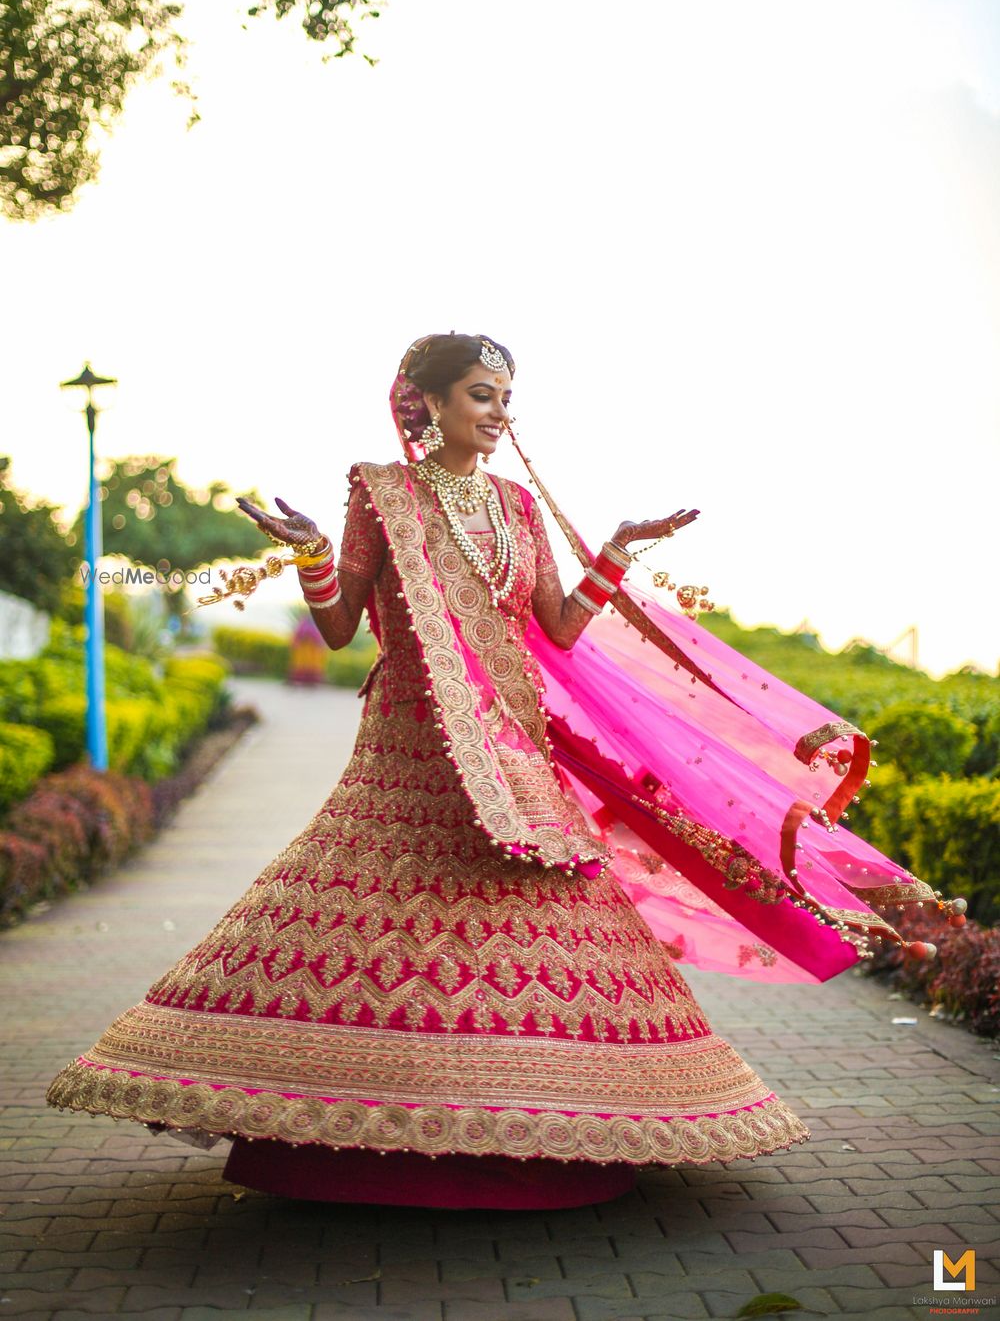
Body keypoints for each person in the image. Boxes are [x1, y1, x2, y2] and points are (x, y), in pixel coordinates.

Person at [46, 333, 963, 1210]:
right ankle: (341, 1128)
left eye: (507, 400)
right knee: (380, 913)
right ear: (429, 403)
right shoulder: (384, 493)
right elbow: (337, 629)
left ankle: (564, 1118)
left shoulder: (521, 508)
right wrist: (312, 552)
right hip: (408, 750)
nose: (498, 414)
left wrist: (616, 550)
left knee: (539, 911)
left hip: (514, 746)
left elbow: (558, 629)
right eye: (481, 396)